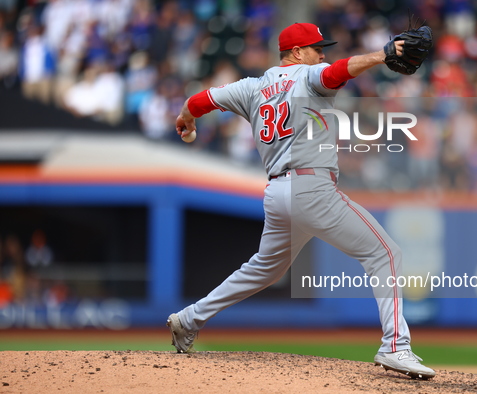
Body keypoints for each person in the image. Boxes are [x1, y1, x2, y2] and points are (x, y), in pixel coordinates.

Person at [168, 22, 436, 380]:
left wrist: (186, 119)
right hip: (312, 189)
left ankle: (189, 319)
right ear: (296, 53)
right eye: (316, 48)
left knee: (265, 269)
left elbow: (199, 101)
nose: (322, 53)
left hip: (277, 193)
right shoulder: (308, 76)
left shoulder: (251, 87)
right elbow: (338, 71)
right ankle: (395, 346)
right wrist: (381, 55)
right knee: (385, 253)